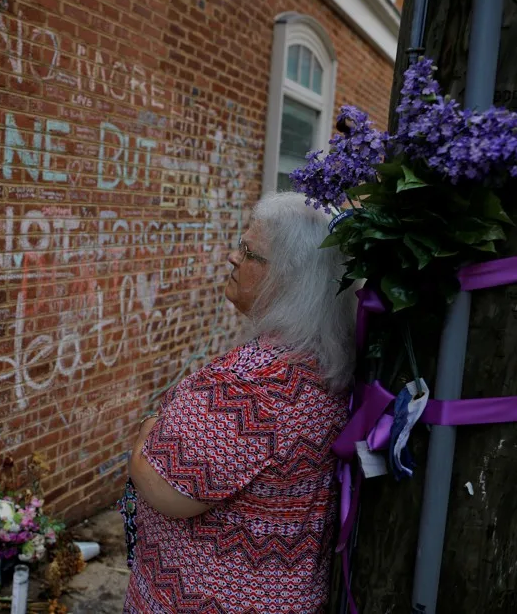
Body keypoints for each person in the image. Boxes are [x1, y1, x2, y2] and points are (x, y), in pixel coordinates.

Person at [122, 192, 358, 613]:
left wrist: (147, 432)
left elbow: (165, 487)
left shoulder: (252, 389)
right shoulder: (322, 361)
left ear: (289, 280)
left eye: (249, 252)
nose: (233, 257)